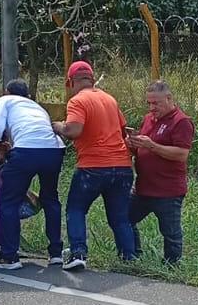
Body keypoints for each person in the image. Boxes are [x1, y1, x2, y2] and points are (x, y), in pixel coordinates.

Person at [52, 61, 136, 271]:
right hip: (122, 166)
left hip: (93, 166)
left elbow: (73, 131)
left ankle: (78, 253)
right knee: (120, 217)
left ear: (70, 82)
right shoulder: (109, 99)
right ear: (91, 78)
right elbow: (123, 130)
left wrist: (58, 126)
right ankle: (129, 257)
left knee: (76, 209)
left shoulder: (78, 101)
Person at [0, 79, 66, 269]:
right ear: (28, 95)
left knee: (9, 201)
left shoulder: (5, 101)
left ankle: (9, 256)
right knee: (50, 199)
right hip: (54, 151)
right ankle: (56, 253)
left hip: (25, 151)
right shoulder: (37, 107)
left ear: (6, 92)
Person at [126, 81, 195, 266]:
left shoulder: (181, 121)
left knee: (170, 232)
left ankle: (172, 265)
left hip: (168, 191)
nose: (152, 108)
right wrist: (133, 144)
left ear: (169, 98)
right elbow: (141, 150)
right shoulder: (148, 119)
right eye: (149, 103)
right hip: (143, 188)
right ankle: (132, 256)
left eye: (156, 103)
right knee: (124, 219)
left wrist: (152, 146)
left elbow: (181, 154)